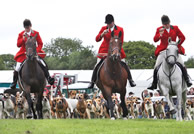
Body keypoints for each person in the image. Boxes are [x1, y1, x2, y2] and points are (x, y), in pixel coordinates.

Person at [88, 14, 136, 88]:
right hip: (104, 50)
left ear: (113, 22)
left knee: (124, 64)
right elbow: (97, 39)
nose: (108, 25)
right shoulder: (103, 28)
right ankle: (92, 81)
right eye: (107, 23)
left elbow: (121, 41)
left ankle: (130, 80)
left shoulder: (120, 29)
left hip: (116, 50)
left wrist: (117, 51)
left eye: (110, 23)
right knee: (97, 65)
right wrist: (102, 34)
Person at [148, 15, 192, 90]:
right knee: (156, 66)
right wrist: (160, 35)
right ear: (162, 24)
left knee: (182, 64)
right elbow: (155, 40)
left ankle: (187, 80)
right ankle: (154, 83)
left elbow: (182, 37)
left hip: (173, 51)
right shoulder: (159, 29)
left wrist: (177, 45)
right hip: (163, 51)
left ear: (169, 22)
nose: (166, 26)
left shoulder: (175, 28)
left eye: (167, 24)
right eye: (165, 24)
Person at [10, 19, 54, 89]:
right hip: (24, 54)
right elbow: (18, 45)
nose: (27, 29)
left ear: (31, 26)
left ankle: (48, 78)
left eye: (28, 28)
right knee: (17, 68)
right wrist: (23, 39)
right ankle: (14, 83)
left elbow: (40, 43)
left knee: (43, 63)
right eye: (26, 28)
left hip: (34, 53)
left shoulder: (36, 33)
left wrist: (37, 50)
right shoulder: (21, 34)